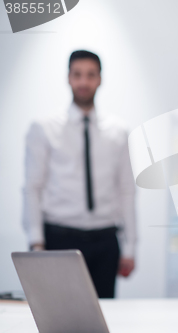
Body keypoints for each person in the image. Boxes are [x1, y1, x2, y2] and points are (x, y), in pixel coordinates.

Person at [22, 50, 137, 298]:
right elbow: (32, 187)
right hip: (59, 238)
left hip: (106, 240)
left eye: (90, 75)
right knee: (59, 316)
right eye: (77, 75)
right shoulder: (44, 128)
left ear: (100, 79)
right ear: (68, 78)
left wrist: (130, 246)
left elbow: (126, 189)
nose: (83, 82)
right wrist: (36, 242)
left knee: (103, 314)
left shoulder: (118, 131)